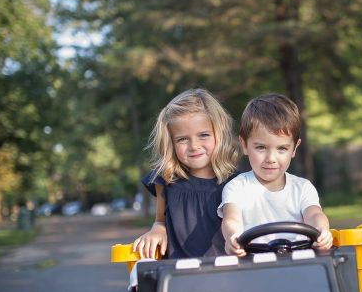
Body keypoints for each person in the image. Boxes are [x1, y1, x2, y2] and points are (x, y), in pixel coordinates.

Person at [219, 93, 333, 257]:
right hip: (253, 264)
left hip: (300, 263)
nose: (271, 159)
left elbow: (314, 214)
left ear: (294, 148)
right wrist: (233, 236)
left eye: (282, 149)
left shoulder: (302, 188)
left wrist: (322, 230)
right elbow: (231, 219)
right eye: (261, 148)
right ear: (244, 145)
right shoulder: (237, 188)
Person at [132, 88, 240, 259]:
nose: (194, 146)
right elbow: (160, 221)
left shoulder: (238, 184)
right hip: (178, 271)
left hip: (227, 271)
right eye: (182, 139)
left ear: (219, 135)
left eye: (203, 135)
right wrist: (158, 230)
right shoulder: (166, 181)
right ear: (171, 143)